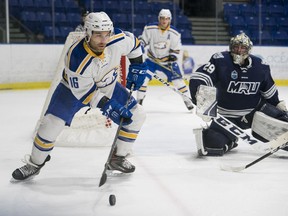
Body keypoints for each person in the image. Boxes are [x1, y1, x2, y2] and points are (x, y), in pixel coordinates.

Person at [12, 12, 148, 181]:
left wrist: (137, 65)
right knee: (50, 125)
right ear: (88, 33)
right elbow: (86, 93)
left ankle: (118, 158)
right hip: (71, 91)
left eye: (106, 34)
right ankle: (34, 164)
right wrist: (109, 106)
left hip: (108, 85)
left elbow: (135, 44)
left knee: (138, 114)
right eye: (98, 35)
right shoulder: (76, 56)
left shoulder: (118, 39)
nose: (103, 40)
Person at [189, 32, 288, 156]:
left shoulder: (260, 66)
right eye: (236, 47)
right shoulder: (220, 61)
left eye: (243, 47)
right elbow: (200, 77)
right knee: (211, 145)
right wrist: (203, 101)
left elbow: (269, 90)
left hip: (256, 113)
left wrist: (278, 105)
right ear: (231, 47)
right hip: (227, 118)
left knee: (285, 132)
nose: (239, 50)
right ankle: (231, 139)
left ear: (248, 49)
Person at [136, 9, 193, 110]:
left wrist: (172, 56)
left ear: (170, 20)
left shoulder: (175, 33)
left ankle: (187, 100)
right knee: (143, 79)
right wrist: (141, 45)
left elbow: (176, 51)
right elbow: (143, 40)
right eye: (162, 18)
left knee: (179, 81)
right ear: (159, 19)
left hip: (167, 62)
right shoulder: (150, 28)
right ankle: (139, 101)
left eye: (166, 19)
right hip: (151, 60)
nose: (164, 21)